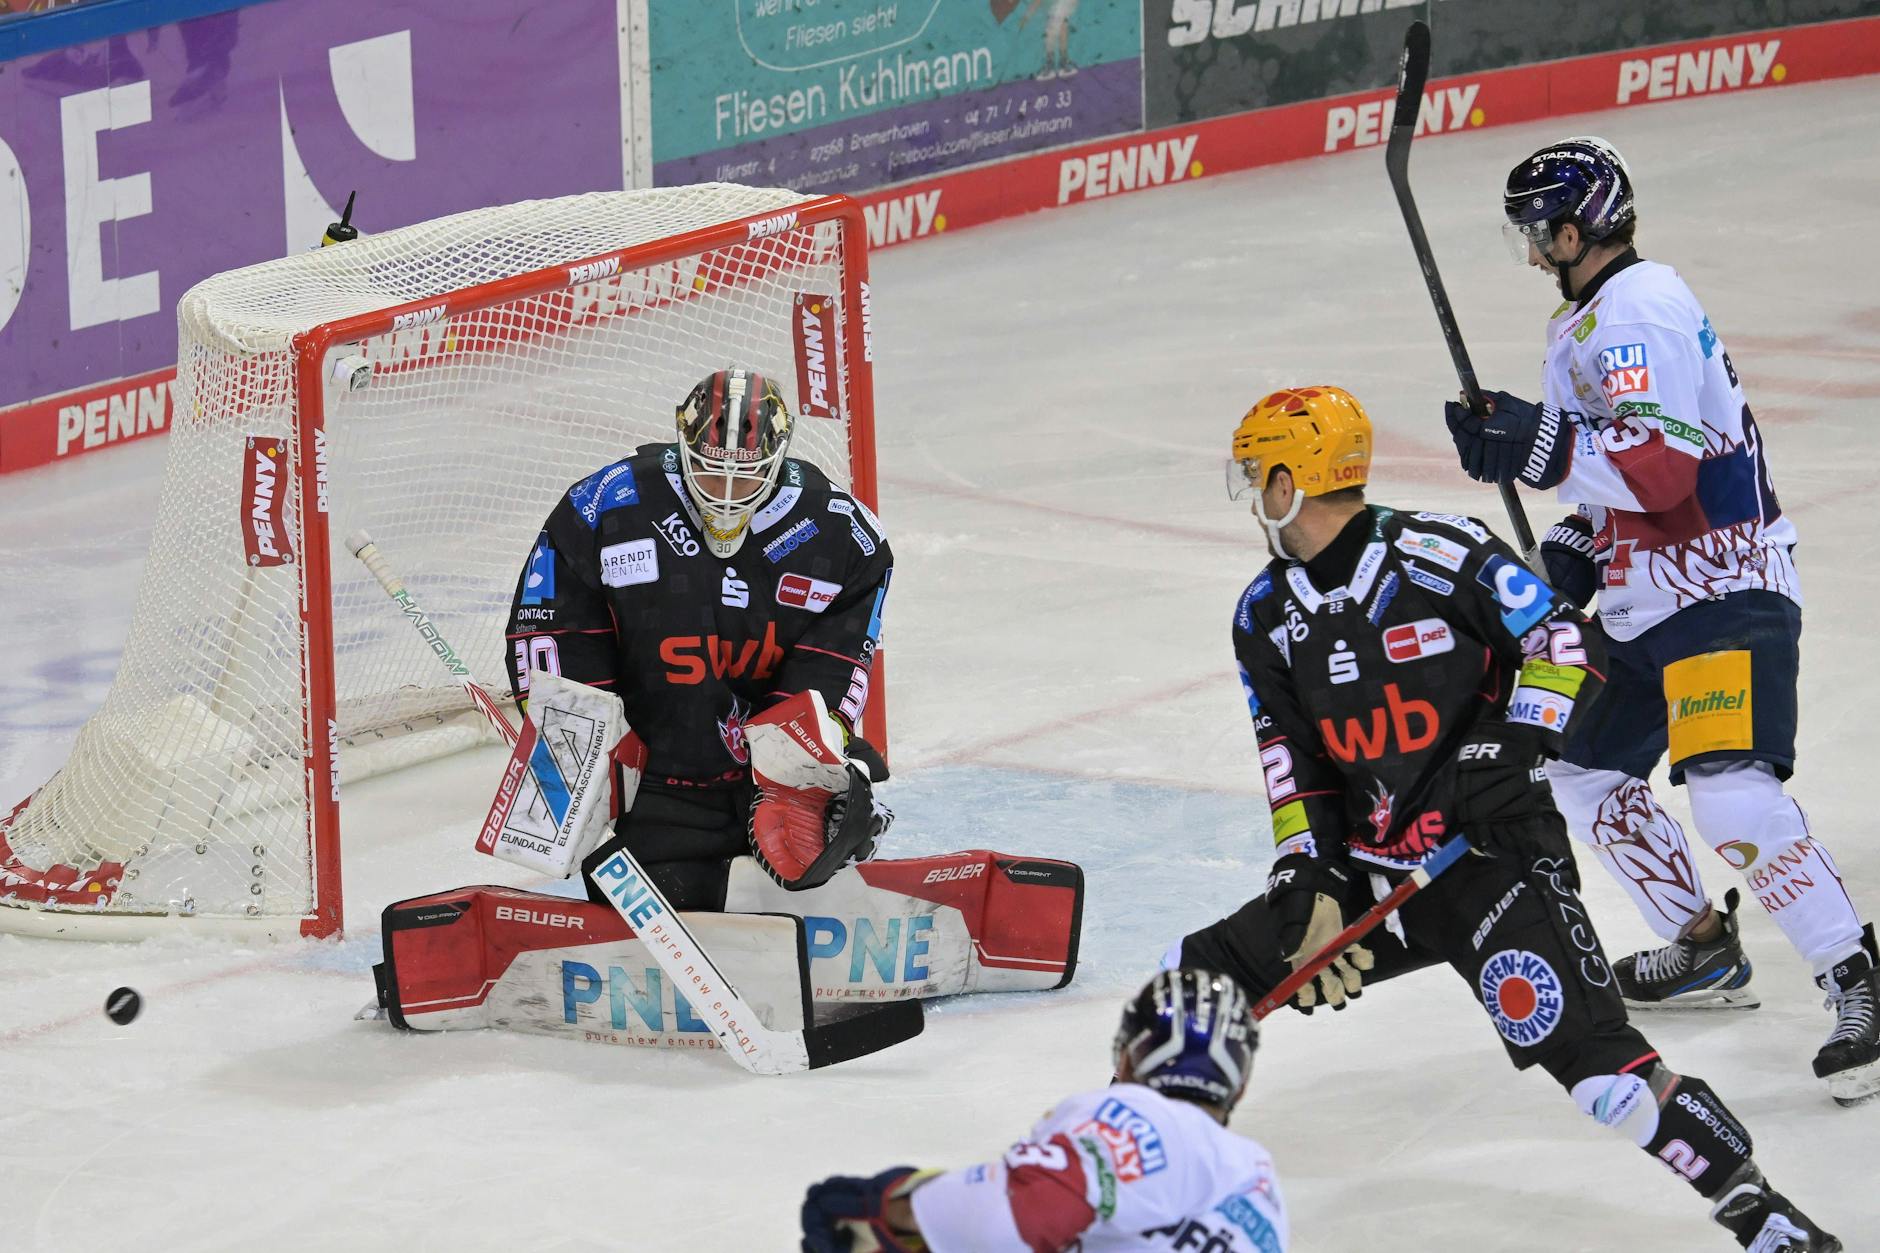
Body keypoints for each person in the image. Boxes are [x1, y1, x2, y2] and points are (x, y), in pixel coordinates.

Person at [1173, 386, 1838, 1249]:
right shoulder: (1263, 614)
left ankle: (1765, 1215)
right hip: (1376, 874)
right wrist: (1307, 876)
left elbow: (1561, 639)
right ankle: (1147, 1192)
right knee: (1195, 983)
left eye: (1258, 472)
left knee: (1606, 1077)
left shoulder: (1435, 551)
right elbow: (1291, 763)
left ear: (1291, 480)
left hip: (1495, 861)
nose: (1252, 492)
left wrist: (1513, 744)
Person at [1441, 136, 1878, 1106]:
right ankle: (1700, 947)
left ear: (1570, 228)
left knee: (1728, 794)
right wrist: (1556, 563)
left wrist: (1536, 443)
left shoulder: (1636, 310)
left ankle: (1857, 978)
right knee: (1575, 764)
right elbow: (1609, 504)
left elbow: (1663, 474)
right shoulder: (1580, 326)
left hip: (1723, 592)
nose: (1528, 253)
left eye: (1534, 233)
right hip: (1648, 604)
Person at [504, 366, 893, 909]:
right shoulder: (606, 506)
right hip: (657, 783)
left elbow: (835, 659)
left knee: (819, 838)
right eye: (711, 474)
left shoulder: (840, 533)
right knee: (671, 895)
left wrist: (802, 767)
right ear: (681, 447)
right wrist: (580, 738)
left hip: (765, 783)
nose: (729, 494)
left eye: (749, 476)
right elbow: (553, 631)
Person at [799, 968, 1287, 1252]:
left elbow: (1030, 1211)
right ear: (1238, 1087)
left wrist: (894, 1208)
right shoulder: (1258, 1183)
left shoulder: (1131, 1116)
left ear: (1126, 1056)